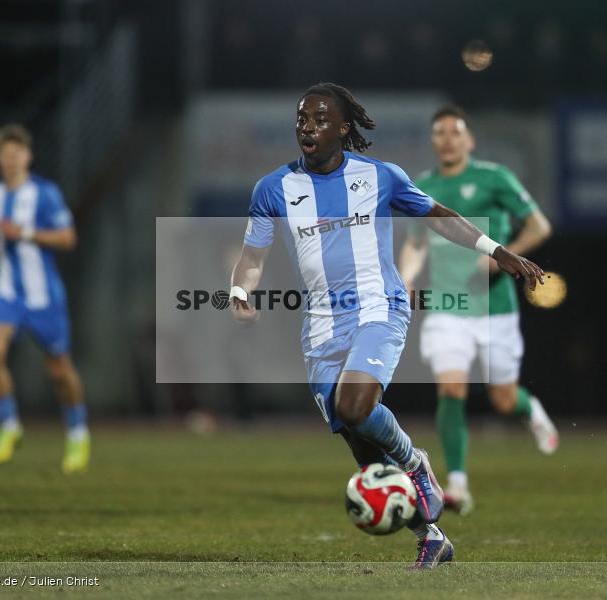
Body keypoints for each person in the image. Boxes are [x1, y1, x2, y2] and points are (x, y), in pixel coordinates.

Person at [228, 84, 544, 569]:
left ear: (342, 129)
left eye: (319, 119)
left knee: (355, 405)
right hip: (319, 327)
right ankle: (432, 537)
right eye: (301, 119)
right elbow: (253, 256)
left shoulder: (380, 177)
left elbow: (440, 217)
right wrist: (240, 292)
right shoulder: (274, 188)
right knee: (362, 445)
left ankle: (417, 464)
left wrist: (499, 252)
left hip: (380, 307)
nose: (307, 127)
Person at [399, 105, 558, 516]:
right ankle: (457, 484)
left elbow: (539, 225)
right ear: (433, 142)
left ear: (469, 140)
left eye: (456, 132)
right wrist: (407, 276)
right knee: (451, 388)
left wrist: (506, 257)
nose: (448, 139)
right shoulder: (424, 186)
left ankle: (530, 409)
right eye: (440, 133)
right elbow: (416, 242)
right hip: (447, 305)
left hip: (496, 307)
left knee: (504, 399)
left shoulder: (494, 178)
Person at [0, 124, 90, 474]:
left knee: (58, 370)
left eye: (17, 154)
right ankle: (9, 427)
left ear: (28, 156)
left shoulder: (45, 194)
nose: (11, 160)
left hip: (43, 297)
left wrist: (24, 232)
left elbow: (68, 238)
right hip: (6, 291)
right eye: (5, 155)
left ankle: (77, 433)